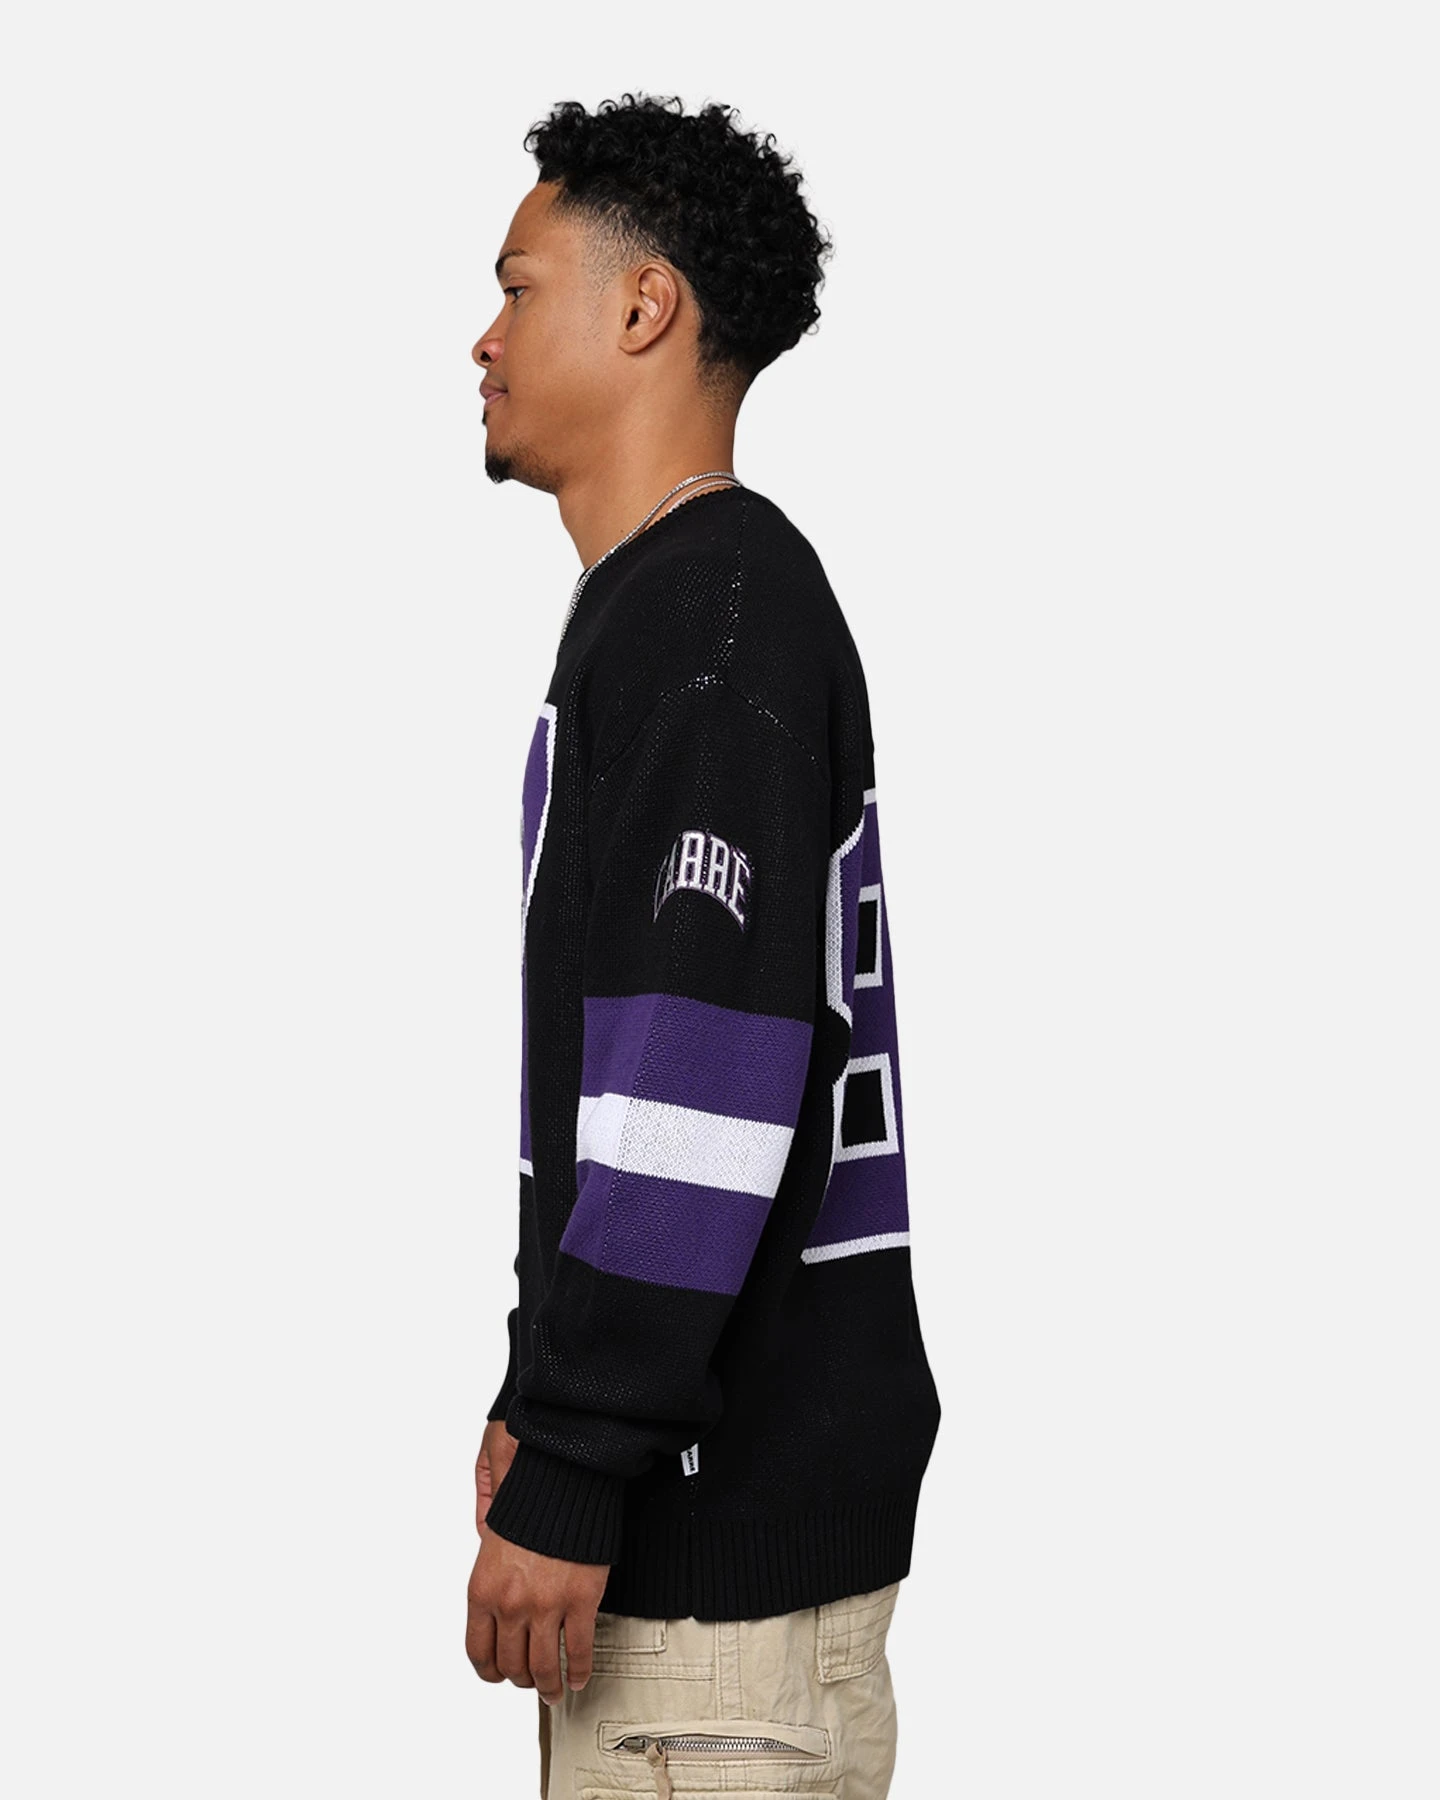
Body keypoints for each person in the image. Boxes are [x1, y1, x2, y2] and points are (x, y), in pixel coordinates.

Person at [464, 92, 942, 1800]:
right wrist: (542, 1383)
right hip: (716, 1605)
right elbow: (644, 1075)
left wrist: (580, 1455)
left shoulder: (707, 615)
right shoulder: (694, 603)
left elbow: (699, 1087)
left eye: (518, 290)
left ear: (644, 307)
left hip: (711, 1627)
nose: (483, 339)